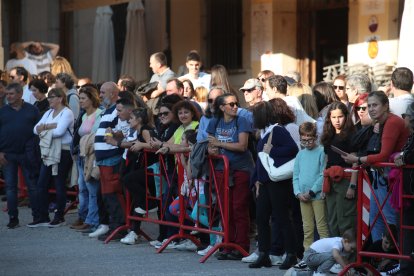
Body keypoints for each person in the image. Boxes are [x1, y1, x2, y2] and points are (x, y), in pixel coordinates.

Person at [341, 91, 409, 242]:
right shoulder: (380, 122)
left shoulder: (392, 122)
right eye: (369, 106)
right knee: (376, 217)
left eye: (375, 105)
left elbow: (383, 155)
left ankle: (394, 261)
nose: (371, 109)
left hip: (392, 177)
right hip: (382, 176)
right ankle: (380, 260)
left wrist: (358, 159)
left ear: (385, 106)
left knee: (389, 218)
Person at [249, 101, 299, 269]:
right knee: (262, 217)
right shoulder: (265, 132)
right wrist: (255, 180)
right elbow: (259, 161)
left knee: (282, 217)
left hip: (277, 182)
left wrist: (272, 151)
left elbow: (292, 149)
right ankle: (264, 253)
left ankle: (291, 253)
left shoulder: (277, 130)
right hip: (264, 182)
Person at [206, 93, 254, 261]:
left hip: (241, 168)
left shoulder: (241, 120)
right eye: (231, 104)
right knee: (225, 208)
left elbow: (242, 146)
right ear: (221, 107)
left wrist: (219, 144)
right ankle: (227, 244)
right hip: (221, 169)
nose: (235, 107)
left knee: (238, 207)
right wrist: (212, 149)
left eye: (236, 103)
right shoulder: (214, 122)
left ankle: (241, 246)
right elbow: (210, 147)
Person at [0, 83, 41, 228]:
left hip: (27, 154)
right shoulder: (2, 111)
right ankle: (13, 218)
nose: (8, 96)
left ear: (20, 94)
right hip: (7, 155)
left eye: (11, 94)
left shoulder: (32, 110)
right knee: (10, 188)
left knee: (32, 186)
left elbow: (39, 131)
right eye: (7, 94)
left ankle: (37, 217)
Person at [32, 88, 75, 227]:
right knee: (41, 184)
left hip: (63, 152)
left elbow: (59, 132)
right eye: (49, 97)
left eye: (52, 97)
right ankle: (42, 216)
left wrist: (44, 127)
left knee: (59, 183)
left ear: (60, 98)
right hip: (48, 151)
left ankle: (59, 216)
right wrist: (50, 126)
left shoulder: (67, 112)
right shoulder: (49, 112)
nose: (49, 99)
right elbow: (34, 129)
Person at [91, 82, 126, 240]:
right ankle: (111, 226)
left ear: (113, 94)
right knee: (105, 195)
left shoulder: (117, 111)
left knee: (112, 194)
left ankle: (119, 228)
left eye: (103, 92)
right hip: (104, 160)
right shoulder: (107, 111)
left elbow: (121, 133)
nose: (100, 95)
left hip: (112, 159)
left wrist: (111, 137)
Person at [320, 102, 356, 237]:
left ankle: (348, 255)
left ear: (346, 117)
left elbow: (355, 163)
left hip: (345, 179)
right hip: (330, 179)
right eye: (333, 117)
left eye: (340, 117)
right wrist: (324, 184)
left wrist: (352, 186)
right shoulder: (328, 135)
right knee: (332, 220)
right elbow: (327, 161)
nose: (337, 120)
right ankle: (336, 254)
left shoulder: (352, 135)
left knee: (345, 219)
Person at [70, 86, 102, 232]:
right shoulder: (83, 115)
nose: (80, 101)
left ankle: (93, 221)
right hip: (82, 156)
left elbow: (94, 136)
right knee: (82, 189)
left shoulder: (99, 114)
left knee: (92, 189)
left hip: (92, 157)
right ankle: (84, 217)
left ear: (92, 99)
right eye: (80, 98)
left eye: (83, 98)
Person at [293, 122, 329, 250]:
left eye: (310, 140)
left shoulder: (321, 152)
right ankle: (307, 255)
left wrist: (312, 192)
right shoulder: (300, 154)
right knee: (307, 228)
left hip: (317, 196)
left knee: (321, 226)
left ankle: (325, 254)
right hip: (302, 196)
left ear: (316, 137)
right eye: (304, 141)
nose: (307, 143)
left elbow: (323, 174)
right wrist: (297, 193)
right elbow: (295, 175)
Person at [393, 101, 414, 274]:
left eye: (405, 116)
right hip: (408, 192)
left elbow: (408, 155)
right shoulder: (411, 137)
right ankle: (406, 266)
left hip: (411, 192)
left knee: (408, 230)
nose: (403, 119)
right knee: (406, 230)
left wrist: (404, 156)